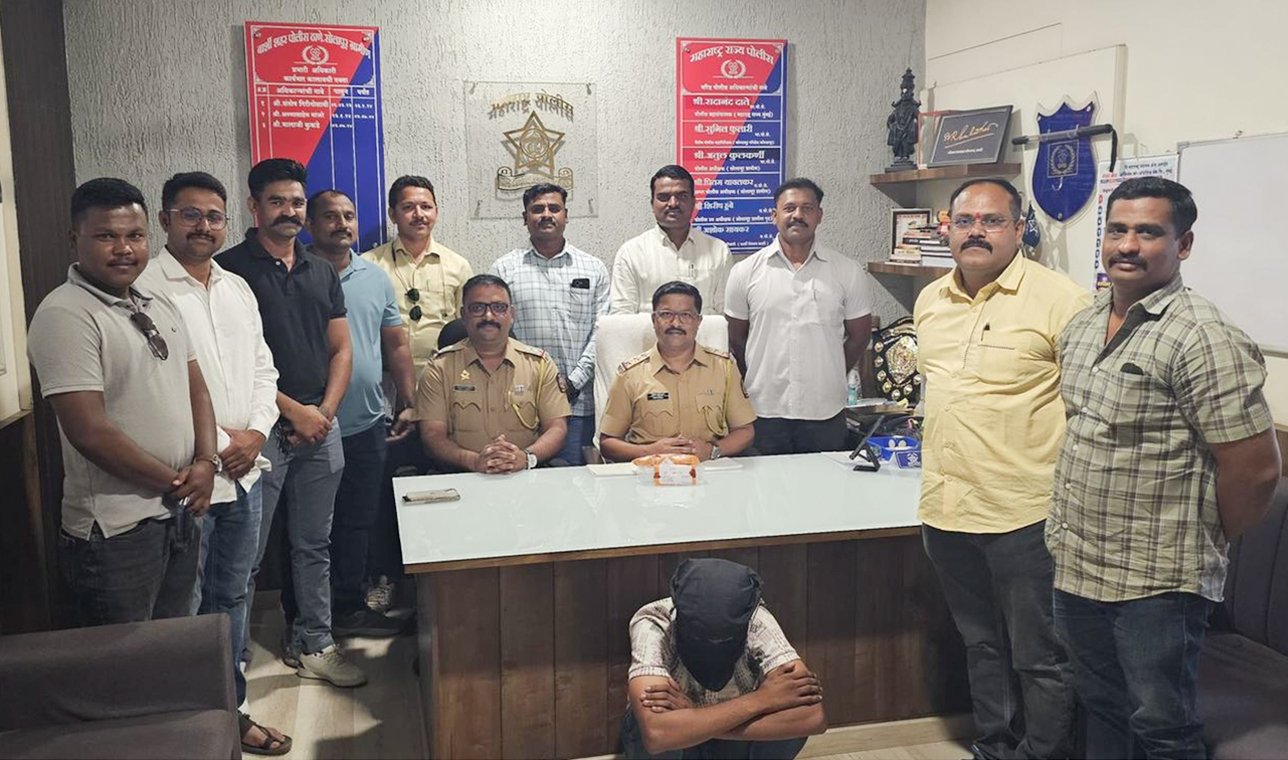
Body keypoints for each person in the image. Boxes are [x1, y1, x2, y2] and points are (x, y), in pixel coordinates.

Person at [1049, 176, 1280, 759]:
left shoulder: (1203, 336)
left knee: (1161, 729)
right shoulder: (1085, 323)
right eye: (1117, 230)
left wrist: (1202, 538)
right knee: (1099, 706)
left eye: (1149, 232)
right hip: (1079, 562)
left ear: (1184, 244)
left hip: (1157, 581)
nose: (1128, 245)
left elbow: (1255, 470)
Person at [914, 178, 1088, 760]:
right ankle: (994, 747)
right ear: (948, 229)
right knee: (981, 644)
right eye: (964, 221)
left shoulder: (1063, 301)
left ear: (1018, 229)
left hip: (1026, 514)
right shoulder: (930, 300)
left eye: (991, 221)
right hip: (946, 508)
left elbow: (1087, 409)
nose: (976, 232)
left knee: (1040, 655)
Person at [135, 171, 290, 755]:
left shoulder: (236, 287)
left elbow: (263, 368)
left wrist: (257, 433)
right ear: (165, 220)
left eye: (214, 216)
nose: (204, 226)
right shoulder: (145, 288)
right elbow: (160, 388)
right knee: (188, 607)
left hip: (245, 475)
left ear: (229, 222)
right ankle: (189, 726)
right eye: (191, 215)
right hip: (191, 478)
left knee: (235, 597)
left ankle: (232, 709)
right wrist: (225, 443)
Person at [28, 178, 217, 627]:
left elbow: (197, 389)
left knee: (172, 644)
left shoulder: (157, 302)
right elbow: (90, 432)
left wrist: (207, 462)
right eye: (106, 236)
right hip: (116, 533)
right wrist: (180, 482)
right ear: (74, 240)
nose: (124, 249)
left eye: (135, 235)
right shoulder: (65, 314)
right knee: (124, 661)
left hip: (176, 513)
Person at [219, 158, 363, 688]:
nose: (289, 211)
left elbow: (341, 348)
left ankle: (314, 642)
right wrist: (292, 411)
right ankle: (229, 665)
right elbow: (234, 362)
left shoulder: (320, 268)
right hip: (258, 431)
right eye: (277, 202)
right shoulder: (229, 271)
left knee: (314, 545)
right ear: (254, 206)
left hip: (321, 429)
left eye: (297, 202)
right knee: (246, 556)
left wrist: (322, 413)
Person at [305, 189, 417, 638]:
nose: (342, 224)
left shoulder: (375, 278)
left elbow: (396, 344)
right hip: (311, 426)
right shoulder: (297, 274)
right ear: (311, 224)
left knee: (357, 523)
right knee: (310, 533)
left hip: (367, 422)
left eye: (349, 216)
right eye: (330, 216)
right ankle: (306, 620)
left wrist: (408, 401)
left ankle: (350, 608)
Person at [622, 558, 826, 759]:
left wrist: (697, 718)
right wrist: (762, 699)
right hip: (681, 741)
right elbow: (657, 735)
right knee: (647, 722)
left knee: (790, 714)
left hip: (721, 736)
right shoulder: (655, 621)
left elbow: (813, 717)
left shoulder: (757, 620)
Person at [724, 178, 872, 455]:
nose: (798, 215)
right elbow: (736, 339)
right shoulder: (745, 272)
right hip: (763, 409)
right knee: (763, 483)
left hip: (825, 411)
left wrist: (830, 370)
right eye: (789, 208)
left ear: (819, 215)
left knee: (824, 483)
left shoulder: (847, 271)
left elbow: (860, 336)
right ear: (774, 215)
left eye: (807, 208)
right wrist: (758, 372)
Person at [490, 182, 609, 465]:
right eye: (537, 209)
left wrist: (574, 381)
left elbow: (602, 331)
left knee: (575, 485)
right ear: (525, 218)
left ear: (566, 215)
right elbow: (496, 335)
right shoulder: (504, 269)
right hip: (520, 405)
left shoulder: (593, 268)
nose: (546, 215)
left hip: (578, 406)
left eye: (554, 208)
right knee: (519, 479)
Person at [416, 274, 571, 473]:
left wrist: (526, 458)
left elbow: (557, 428)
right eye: (477, 308)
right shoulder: (439, 367)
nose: (488, 316)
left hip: (524, 475)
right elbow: (432, 436)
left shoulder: (539, 365)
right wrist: (473, 461)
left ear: (512, 314)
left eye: (499, 307)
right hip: (461, 476)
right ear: (463, 314)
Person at [600, 281, 755, 463]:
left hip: (708, 471)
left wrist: (712, 450)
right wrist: (648, 451)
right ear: (654, 320)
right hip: (651, 472)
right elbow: (607, 442)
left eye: (685, 315)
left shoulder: (723, 368)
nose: (675, 323)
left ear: (698, 321)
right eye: (666, 314)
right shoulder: (630, 374)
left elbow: (745, 431)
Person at [362, 174, 473, 370]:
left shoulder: (458, 266)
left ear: (436, 212)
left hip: (443, 373)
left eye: (426, 207)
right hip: (385, 374)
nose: (419, 214)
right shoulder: (369, 265)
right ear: (392, 215)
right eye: (408, 207)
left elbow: (467, 326)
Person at [611, 164, 732, 315]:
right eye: (663, 197)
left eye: (682, 196)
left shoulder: (718, 251)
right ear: (652, 204)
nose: (673, 203)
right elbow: (621, 315)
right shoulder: (631, 253)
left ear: (693, 202)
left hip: (704, 331)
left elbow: (726, 313)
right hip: (648, 332)